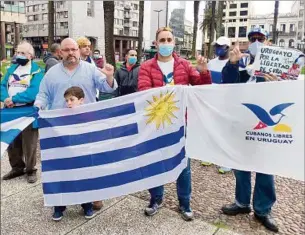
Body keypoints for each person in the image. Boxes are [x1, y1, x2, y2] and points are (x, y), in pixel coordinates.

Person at [138, 27, 212, 221]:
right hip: (156, 124)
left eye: (169, 39)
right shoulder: (146, 67)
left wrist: (204, 73)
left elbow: (202, 89)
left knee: (183, 165)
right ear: (156, 44)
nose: (165, 43)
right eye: (162, 40)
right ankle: (156, 200)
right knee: (156, 163)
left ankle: (185, 203)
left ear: (174, 43)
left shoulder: (185, 65)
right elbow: (144, 92)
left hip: (181, 123)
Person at [221, 27, 279, 233]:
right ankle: (242, 202)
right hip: (243, 122)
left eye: (260, 38)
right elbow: (228, 83)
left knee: (265, 167)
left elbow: (287, 91)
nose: (256, 41)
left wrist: (278, 81)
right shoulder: (242, 60)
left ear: (267, 40)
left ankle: (263, 210)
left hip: (265, 124)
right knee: (241, 165)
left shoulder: (276, 62)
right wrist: (232, 63)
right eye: (252, 38)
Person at [0, 41, 44, 183]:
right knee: (11, 140)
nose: (19, 55)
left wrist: (14, 99)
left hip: (28, 110)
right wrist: (6, 98)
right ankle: (17, 167)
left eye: (22, 53)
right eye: (17, 52)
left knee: (29, 143)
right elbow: (2, 84)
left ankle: (31, 169)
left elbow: (34, 91)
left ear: (30, 56)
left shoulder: (37, 70)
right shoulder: (12, 69)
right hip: (10, 111)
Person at [34, 38, 117, 110]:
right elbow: (43, 94)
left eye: (74, 49)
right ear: (60, 52)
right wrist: (39, 105)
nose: (70, 52)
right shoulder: (51, 73)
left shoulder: (91, 69)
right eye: (66, 50)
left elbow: (108, 88)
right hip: (60, 122)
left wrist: (109, 77)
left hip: (86, 120)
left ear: (78, 51)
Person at [51, 86, 95, 221]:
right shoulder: (62, 116)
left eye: (72, 100)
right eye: (66, 100)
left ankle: (87, 205)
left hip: (83, 155)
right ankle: (59, 206)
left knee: (84, 179)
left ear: (81, 100)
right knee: (63, 179)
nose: (69, 103)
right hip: (66, 155)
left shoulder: (88, 116)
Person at [201, 36, 232, 174]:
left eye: (221, 46)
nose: (218, 49)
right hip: (212, 103)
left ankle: (226, 161)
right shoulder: (211, 63)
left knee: (226, 133)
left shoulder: (233, 63)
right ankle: (209, 156)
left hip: (226, 104)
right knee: (211, 130)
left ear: (227, 48)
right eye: (216, 46)